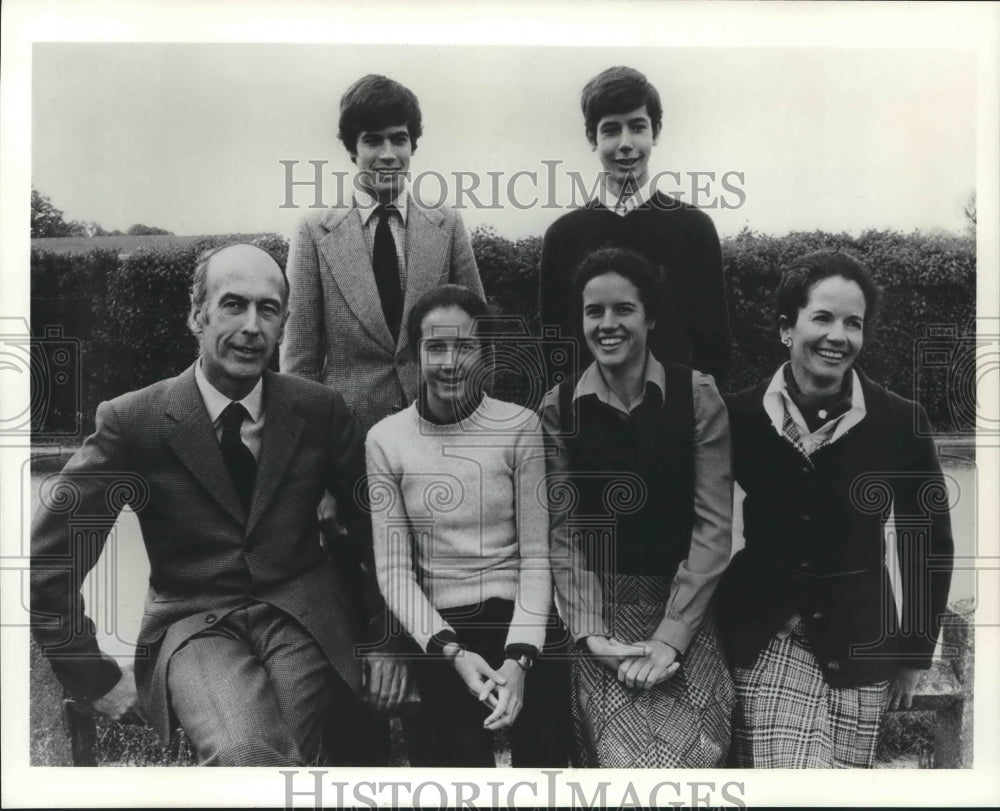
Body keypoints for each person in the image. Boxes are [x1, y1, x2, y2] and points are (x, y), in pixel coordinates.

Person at [31, 244, 405, 766]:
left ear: (284, 325)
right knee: (245, 751)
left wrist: (385, 639)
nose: (252, 326)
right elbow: (51, 559)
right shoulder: (133, 422)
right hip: (194, 625)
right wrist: (93, 676)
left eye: (268, 309)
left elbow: (378, 537)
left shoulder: (319, 411)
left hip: (305, 618)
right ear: (197, 314)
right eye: (234, 304)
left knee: (268, 754)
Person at [718, 249, 955, 768]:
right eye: (822, 317)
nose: (838, 336)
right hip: (767, 634)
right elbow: (700, 521)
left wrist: (915, 653)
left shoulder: (900, 420)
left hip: (863, 642)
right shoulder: (738, 414)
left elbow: (926, 541)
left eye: (853, 323)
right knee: (793, 777)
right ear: (787, 327)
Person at [541, 247, 734, 767]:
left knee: (699, 756)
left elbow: (714, 528)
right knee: (618, 762)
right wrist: (592, 634)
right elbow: (562, 534)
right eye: (593, 311)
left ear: (650, 316)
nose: (608, 324)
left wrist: (671, 639)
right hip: (600, 613)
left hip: (684, 609)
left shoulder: (697, 396)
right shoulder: (559, 408)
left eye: (624, 309)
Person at [365, 284, 570, 767]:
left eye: (466, 345)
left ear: (487, 354)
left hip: (522, 620)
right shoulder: (385, 440)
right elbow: (394, 572)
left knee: (548, 767)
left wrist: (519, 661)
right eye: (436, 346)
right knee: (452, 772)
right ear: (416, 353)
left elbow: (537, 558)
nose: (450, 361)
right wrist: (452, 654)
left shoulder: (519, 427)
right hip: (441, 630)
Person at [281, 73, 484, 435]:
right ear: (352, 149)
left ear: (413, 146)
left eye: (399, 139)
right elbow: (299, 362)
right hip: (347, 440)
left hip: (438, 430)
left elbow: (479, 336)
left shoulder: (447, 224)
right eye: (373, 140)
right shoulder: (314, 231)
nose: (388, 154)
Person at [539, 66, 730, 383]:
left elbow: (714, 347)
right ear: (592, 138)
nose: (625, 143)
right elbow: (555, 349)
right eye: (611, 130)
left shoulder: (694, 229)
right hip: (592, 422)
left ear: (655, 132)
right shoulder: (563, 237)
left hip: (676, 417)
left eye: (638, 127)